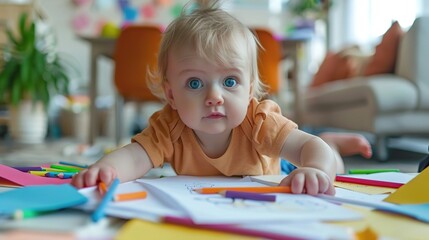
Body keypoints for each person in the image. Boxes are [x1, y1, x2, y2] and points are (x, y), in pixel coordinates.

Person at [71, 0, 369, 195]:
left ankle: (332, 142)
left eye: (229, 81)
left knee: (326, 161)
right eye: (195, 83)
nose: (214, 96)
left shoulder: (258, 120)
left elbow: (307, 147)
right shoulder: (169, 126)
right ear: (171, 94)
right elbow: (135, 157)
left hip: (279, 170)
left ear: (249, 90)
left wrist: (317, 168)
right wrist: (106, 168)